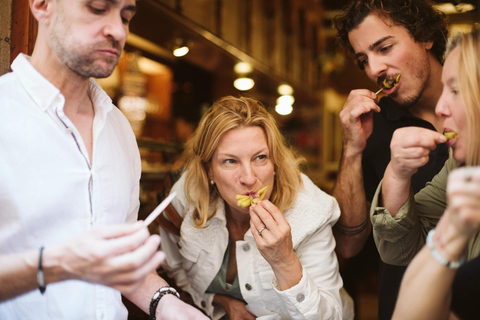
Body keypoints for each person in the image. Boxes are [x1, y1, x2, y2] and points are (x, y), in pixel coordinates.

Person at [0, 0, 207, 319]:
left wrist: (166, 303)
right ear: (42, 5)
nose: (118, 30)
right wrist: (55, 264)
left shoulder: (119, 127)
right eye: (97, 8)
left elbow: (122, 259)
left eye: (126, 17)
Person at [159, 96, 354, 319]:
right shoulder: (186, 197)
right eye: (230, 161)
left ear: (275, 163)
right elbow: (175, 270)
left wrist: (284, 260)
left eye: (260, 158)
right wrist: (218, 301)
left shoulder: (311, 211)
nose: (249, 178)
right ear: (209, 171)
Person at [332, 0, 449, 318]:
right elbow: (347, 247)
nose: (373, 69)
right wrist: (353, 149)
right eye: (363, 60)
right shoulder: (372, 127)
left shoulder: (473, 103)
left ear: (425, 36)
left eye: (383, 48)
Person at [390, 28, 480, 320]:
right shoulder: (460, 167)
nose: (441, 108)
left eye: (456, 90)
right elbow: (400, 246)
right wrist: (397, 173)